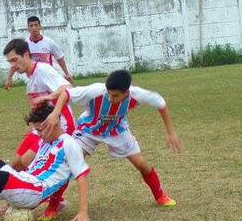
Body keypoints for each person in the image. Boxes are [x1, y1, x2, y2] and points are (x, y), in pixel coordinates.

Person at [34, 69, 182, 207]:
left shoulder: (137, 94)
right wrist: (55, 113)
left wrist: (171, 131)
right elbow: (66, 93)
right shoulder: (96, 90)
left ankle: (160, 196)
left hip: (116, 129)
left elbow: (161, 103)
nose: (110, 98)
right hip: (89, 130)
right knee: (70, 164)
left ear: (126, 93)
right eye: (109, 94)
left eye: (115, 95)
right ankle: (53, 207)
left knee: (141, 164)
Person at [0, 38, 76, 221]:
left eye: (15, 60)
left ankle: (55, 204)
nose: (13, 65)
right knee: (17, 163)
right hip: (39, 127)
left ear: (26, 55)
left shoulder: (43, 70)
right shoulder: (30, 73)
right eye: (10, 62)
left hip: (58, 126)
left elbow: (67, 88)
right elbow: (16, 65)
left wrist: (47, 98)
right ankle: (14, 201)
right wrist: (9, 77)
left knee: (49, 166)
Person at [4, 16, 73, 90]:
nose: (34, 28)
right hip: (33, 79)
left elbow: (59, 58)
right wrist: (9, 78)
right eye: (31, 26)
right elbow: (15, 60)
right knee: (37, 100)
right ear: (28, 28)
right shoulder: (24, 44)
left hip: (47, 78)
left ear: (40, 26)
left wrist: (67, 73)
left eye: (36, 25)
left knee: (52, 98)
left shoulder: (49, 42)